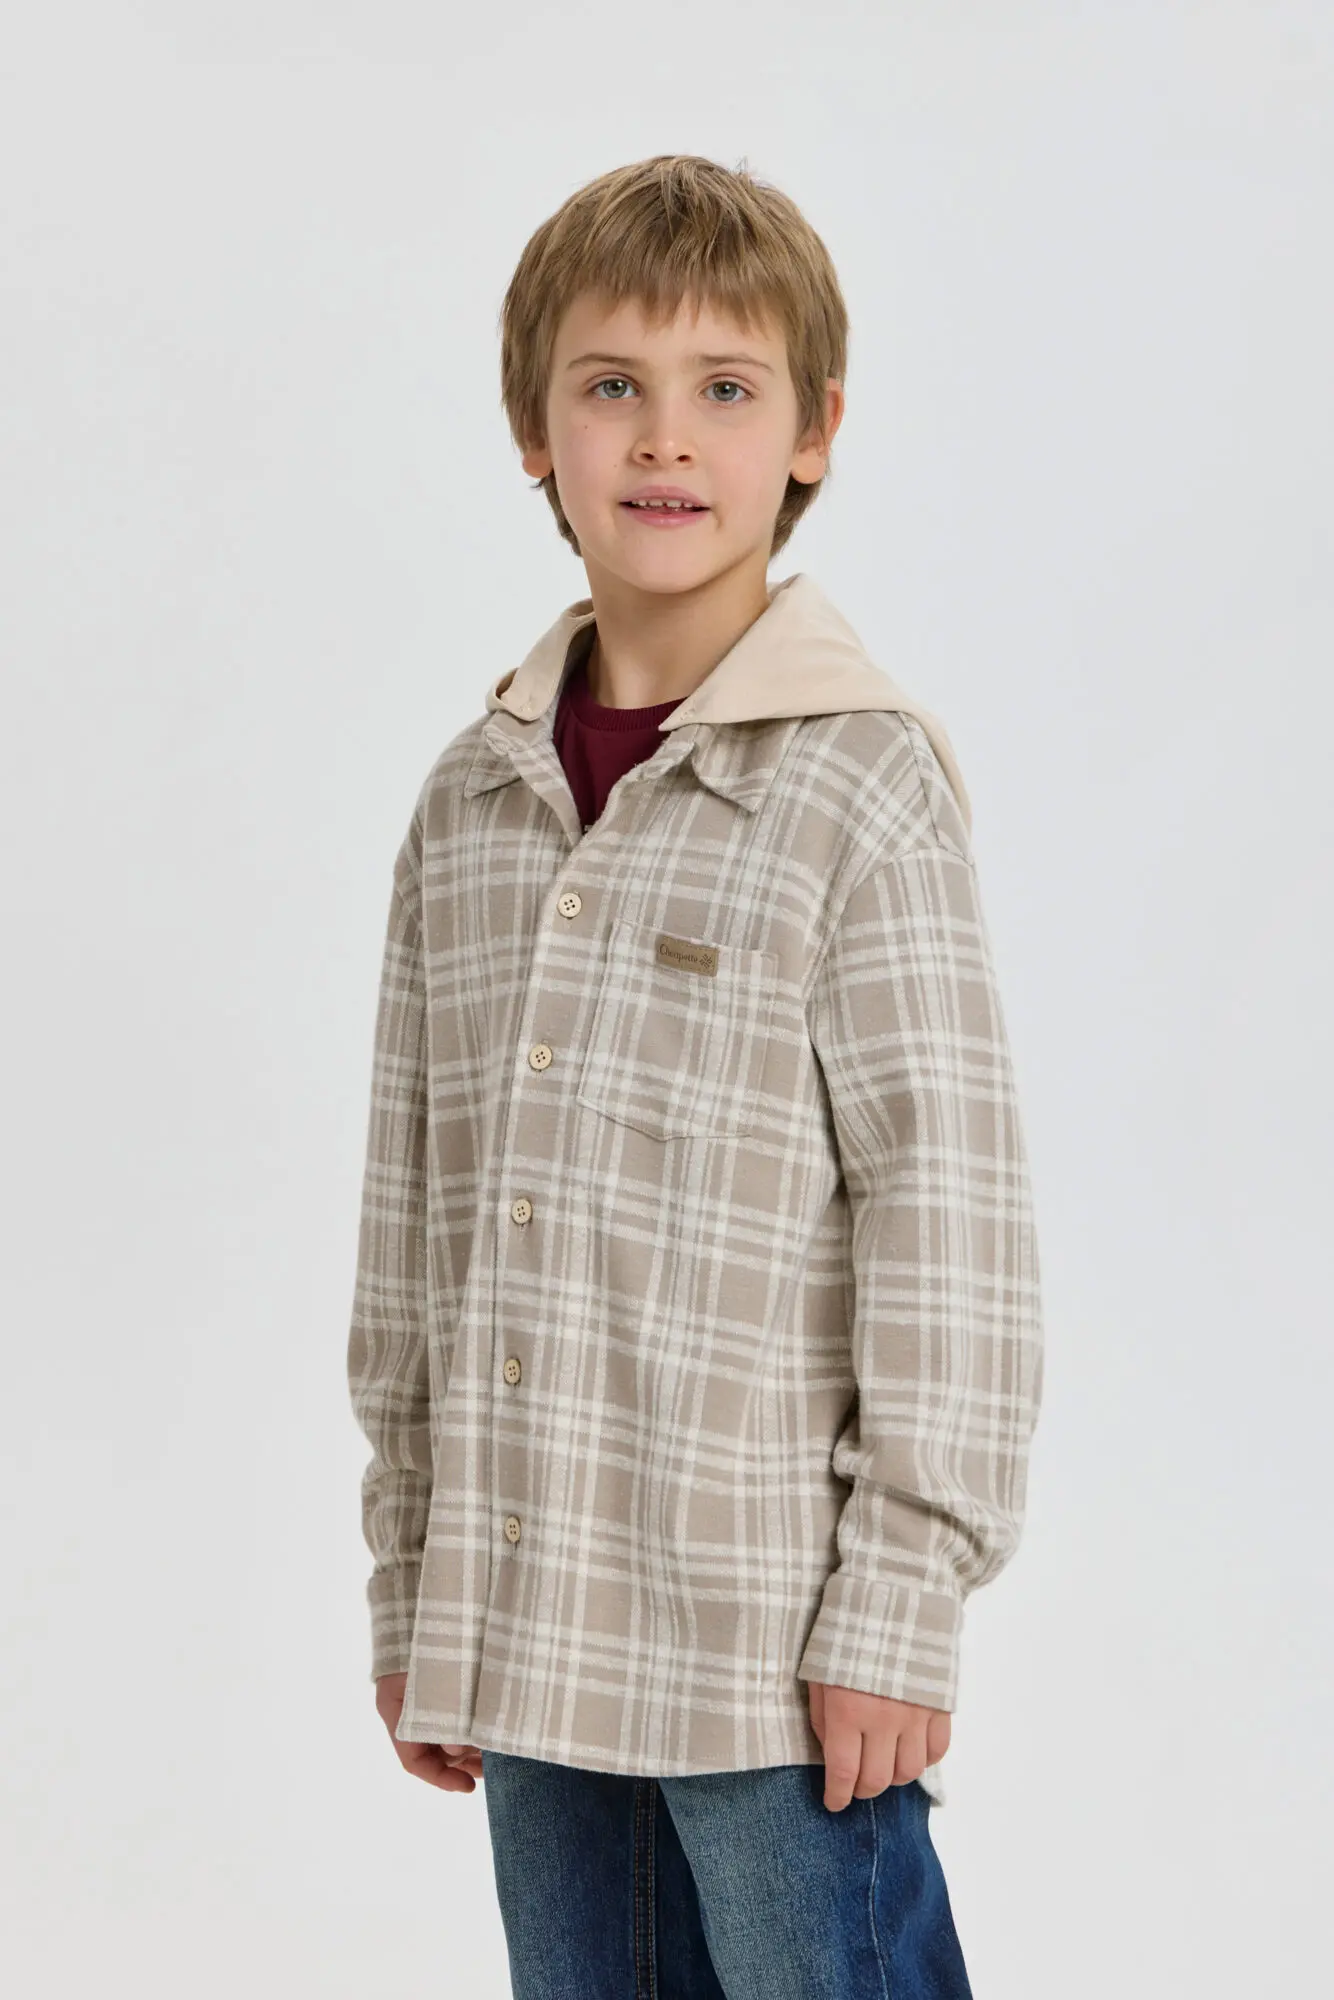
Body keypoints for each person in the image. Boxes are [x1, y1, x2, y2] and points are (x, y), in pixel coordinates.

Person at [346, 152, 1044, 1999]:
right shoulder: (469, 801)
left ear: (811, 431)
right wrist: (415, 1572)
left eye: (724, 387)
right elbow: (415, 1223)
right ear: (533, 428)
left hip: (768, 1658)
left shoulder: (856, 785)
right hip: (529, 1629)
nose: (665, 437)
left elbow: (946, 1218)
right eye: (612, 384)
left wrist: (901, 1597)